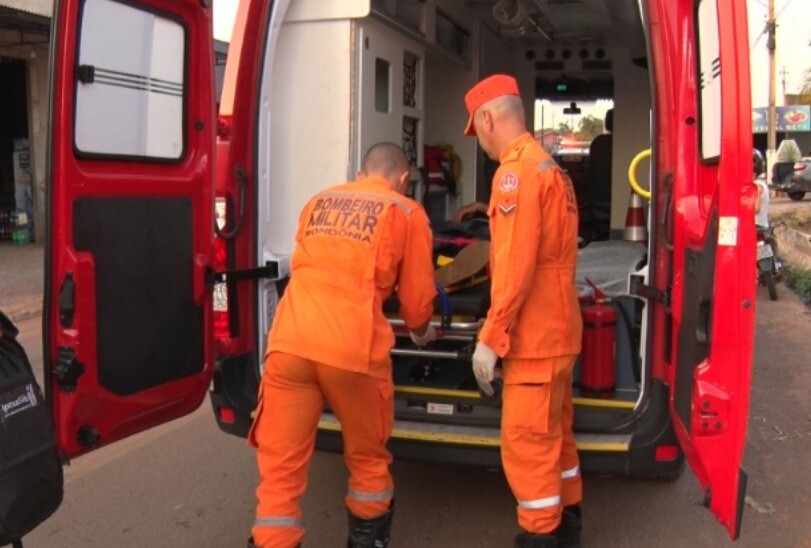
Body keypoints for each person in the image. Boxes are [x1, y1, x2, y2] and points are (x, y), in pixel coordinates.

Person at [248, 143, 437, 548]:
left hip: (289, 346)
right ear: (403, 179)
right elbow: (417, 305)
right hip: (352, 352)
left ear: (359, 173)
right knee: (368, 462)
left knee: (279, 474)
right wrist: (422, 333)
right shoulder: (406, 212)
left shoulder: (319, 200)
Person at [463, 74, 583, 548]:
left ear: (489, 118)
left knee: (528, 450)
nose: (483, 142)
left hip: (533, 339)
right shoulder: (550, 168)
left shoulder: (514, 173)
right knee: (558, 443)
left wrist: (490, 339)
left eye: (479, 128)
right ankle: (570, 529)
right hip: (559, 332)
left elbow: (515, 267)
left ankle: (542, 538)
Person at [754, 149, 769, 229]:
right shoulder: (761, 183)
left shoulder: (757, 185)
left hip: (757, 225)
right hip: (762, 224)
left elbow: (756, 208)